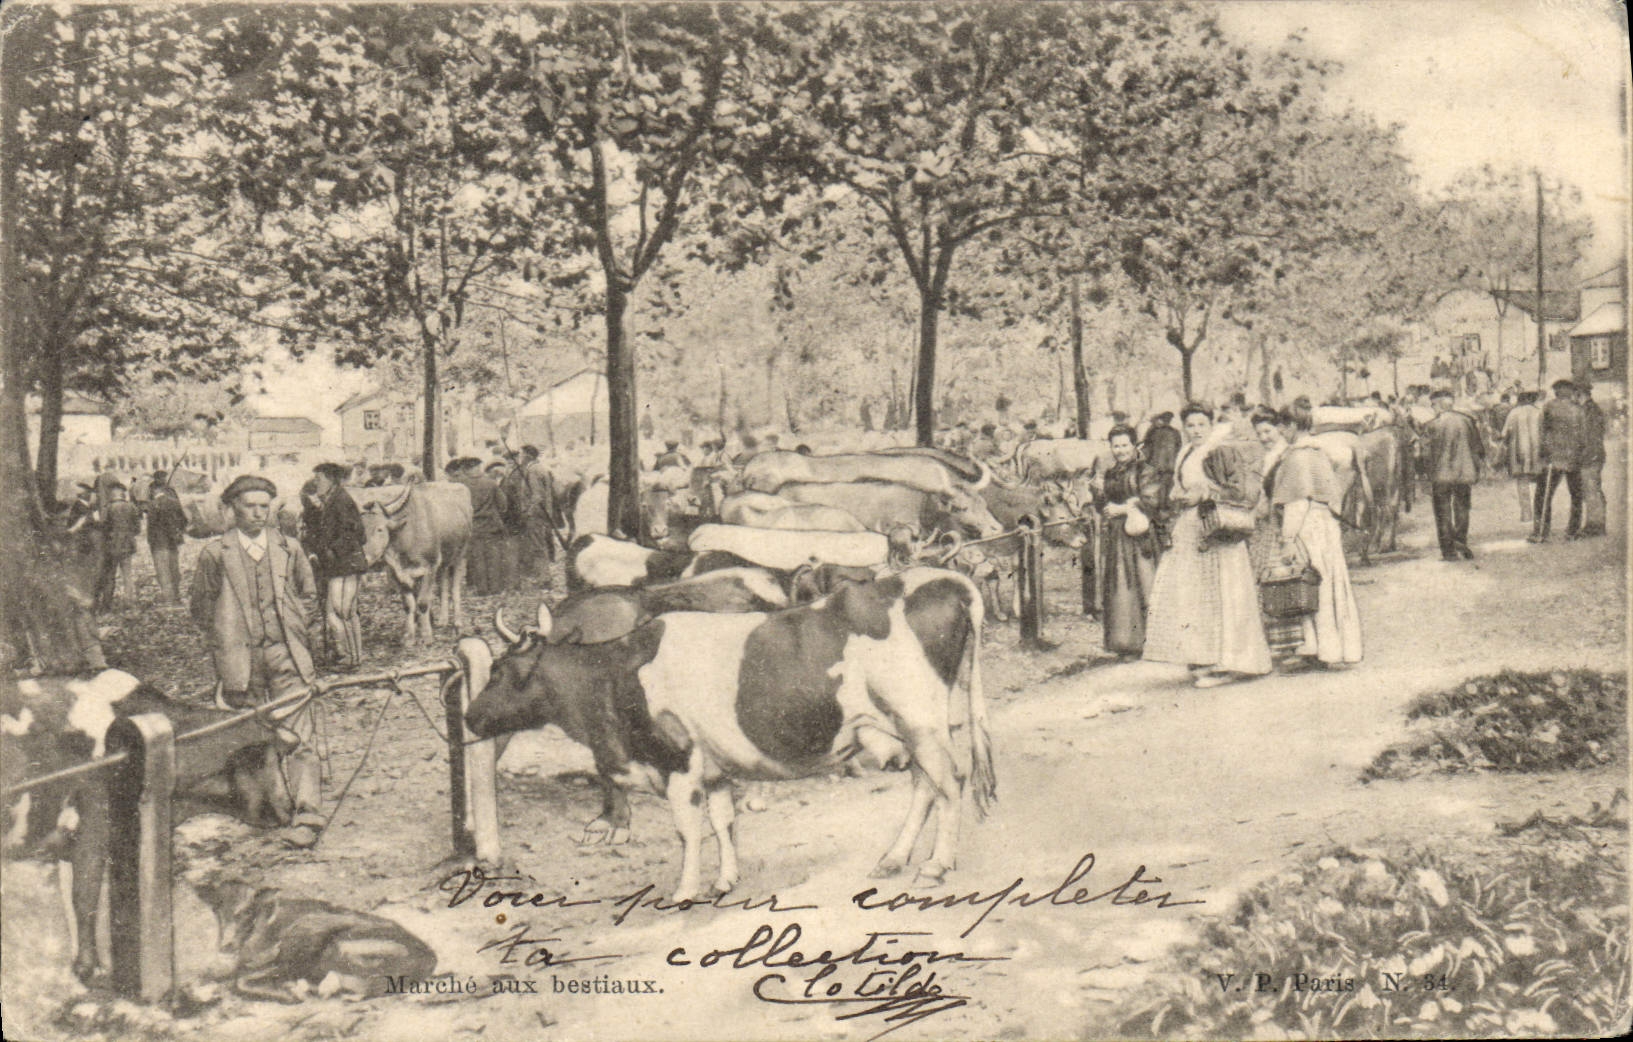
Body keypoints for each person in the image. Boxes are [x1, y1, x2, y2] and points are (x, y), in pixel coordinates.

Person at [188, 474, 324, 848]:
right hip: (240, 660)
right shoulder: (216, 554)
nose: (259, 514)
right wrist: (227, 641)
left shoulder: (289, 548)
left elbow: (309, 595)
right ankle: (271, 808)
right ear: (233, 508)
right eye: (250, 506)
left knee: (301, 736)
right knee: (255, 736)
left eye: (265, 506)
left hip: (287, 654)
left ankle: (308, 814)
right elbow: (201, 609)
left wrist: (293, 631)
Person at [1142, 403, 1272, 688]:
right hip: (1192, 529)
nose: (1196, 430)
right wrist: (1180, 495)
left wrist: (1206, 493)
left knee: (1224, 591)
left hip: (1218, 529)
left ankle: (1231, 661)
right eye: (1190, 425)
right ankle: (1207, 657)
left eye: (1201, 424)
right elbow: (1181, 488)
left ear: (1210, 425)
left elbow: (1241, 492)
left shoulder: (1220, 450)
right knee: (1198, 595)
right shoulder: (1186, 452)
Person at [1271, 399, 1363, 667]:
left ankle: (1321, 650)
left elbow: (1297, 502)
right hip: (1325, 524)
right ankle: (1330, 649)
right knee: (1328, 585)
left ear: (1291, 426)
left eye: (1282, 427)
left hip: (1306, 526)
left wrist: (1288, 539)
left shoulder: (1298, 457)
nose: (1280, 433)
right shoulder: (1320, 452)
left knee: (1310, 585)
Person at [1096, 425, 1164, 658]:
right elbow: (1104, 504)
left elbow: (1152, 500)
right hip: (1117, 537)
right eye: (1116, 445)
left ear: (1135, 445)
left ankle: (1154, 642)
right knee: (1120, 587)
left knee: (1144, 583)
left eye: (1125, 445)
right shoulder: (1111, 473)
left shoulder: (1146, 471)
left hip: (1140, 536)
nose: (1120, 450)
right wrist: (1099, 497)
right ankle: (1126, 643)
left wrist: (1123, 508)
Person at [306, 463, 369, 671]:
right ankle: (347, 656)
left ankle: (352, 659)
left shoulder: (340, 500)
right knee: (339, 611)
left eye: (319, 479)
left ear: (331, 479)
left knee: (343, 611)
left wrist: (332, 550)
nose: (316, 484)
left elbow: (357, 533)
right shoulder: (332, 500)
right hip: (340, 565)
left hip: (346, 565)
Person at [1423, 388, 1485, 561]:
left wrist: (1426, 473)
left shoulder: (1432, 425)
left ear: (1439, 405)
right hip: (1465, 473)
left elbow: (1424, 453)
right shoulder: (1468, 421)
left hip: (1441, 475)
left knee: (1442, 512)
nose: (1432, 408)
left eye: (1433, 405)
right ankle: (1460, 541)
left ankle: (1449, 551)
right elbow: (1479, 448)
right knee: (1462, 508)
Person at [1531, 379, 1585, 543]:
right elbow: (1583, 437)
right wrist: (1580, 452)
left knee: (1543, 495)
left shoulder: (1549, 407)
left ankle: (1541, 531)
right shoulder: (1578, 409)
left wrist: (1542, 453)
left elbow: (1541, 431)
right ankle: (1573, 530)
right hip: (1573, 457)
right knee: (1576, 495)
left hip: (1552, 458)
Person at [1248, 408, 1292, 575]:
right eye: (1259, 433)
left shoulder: (1287, 454)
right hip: (1266, 521)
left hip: (1283, 519)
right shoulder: (1267, 457)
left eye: (1267, 431)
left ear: (1279, 428)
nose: (1263, 438)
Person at [458, 458, 510, 596]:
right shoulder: (491, 483)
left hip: (473, 526)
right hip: (491, 525)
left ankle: (482, 588)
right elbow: (503, 505)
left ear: (467, 469)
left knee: (477, 558)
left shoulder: (462, 485)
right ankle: (495, 588)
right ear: (477, 467)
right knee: (493, 557)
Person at [145, 470, 189, 605]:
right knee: (174, 568)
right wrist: (178, 531)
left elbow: (151, 525)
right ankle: (177, 596)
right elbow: (184, 519)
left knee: (163, 570)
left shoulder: (153, 505)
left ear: (153, 492)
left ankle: (169, 599)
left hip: (159, 542)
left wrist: (150, 540)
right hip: (173, 540)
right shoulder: (173, 500)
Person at [1498, 390, 1543, 523]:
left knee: (1522, 483)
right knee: (1540, 484)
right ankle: (1539, 514)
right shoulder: (1539, 412)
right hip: (1537, 452)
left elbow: (1504, 433)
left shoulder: (1514, 413)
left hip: (1518, 453)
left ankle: (1526, 514)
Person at [1576, 381, 1607, 537]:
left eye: (1576, 394)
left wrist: (1588, 454)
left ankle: (1595, 526)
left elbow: (1592, 436)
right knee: (1592, 489)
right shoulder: (1591, 409)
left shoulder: (1590, 410)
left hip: (1591, 456)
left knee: (1591, 489)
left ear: (1580, 393)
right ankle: (1595, 523)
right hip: (1592, 455)